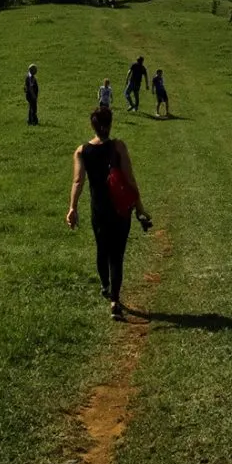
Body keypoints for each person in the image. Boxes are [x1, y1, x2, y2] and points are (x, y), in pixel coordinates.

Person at [67, 106, 151, 321]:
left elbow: (78, 181)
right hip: (120, 210)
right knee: (117, 255)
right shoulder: (118, 147)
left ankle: (105, 285)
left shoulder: (82, 151)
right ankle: (115, 299)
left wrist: (72, 208)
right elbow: (130, 179)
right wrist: (139, 208)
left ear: (92, 126)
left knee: (101, 249)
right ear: (110, 124)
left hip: (99, 210)